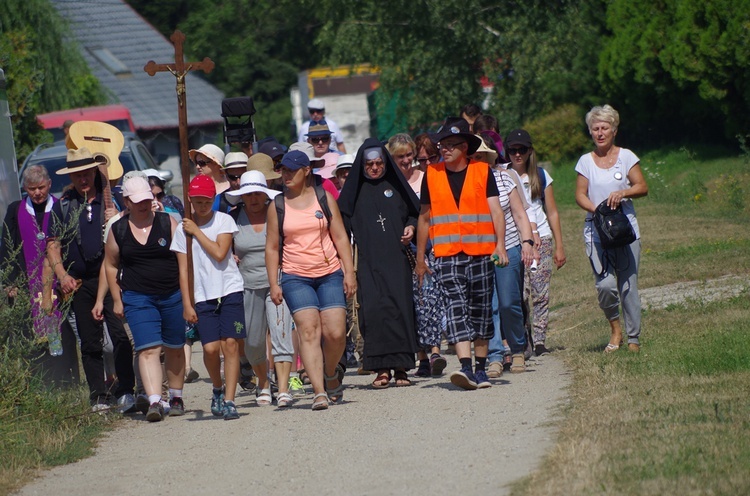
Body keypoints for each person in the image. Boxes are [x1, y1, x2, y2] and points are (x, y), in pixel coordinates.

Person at [414, 118, 508, 391]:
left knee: (480, 309)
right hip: (446, 254)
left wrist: (500, 245)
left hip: (481, 251)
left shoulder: (482, 171)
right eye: (442, 144)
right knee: (455, 306)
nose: (444, 149)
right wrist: (421, 258)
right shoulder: (432, 174)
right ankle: (465, 367)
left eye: (452, 145)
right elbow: (424, 219)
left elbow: (496, 211)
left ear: (465, 147)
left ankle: (481, 369)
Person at [266, 150, 356, 410]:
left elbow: (340, 236)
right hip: (296, 276)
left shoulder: (324, 198)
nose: (285, 175)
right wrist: (274, 282)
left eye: (291, 170)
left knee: (336, 332)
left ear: (306, 171)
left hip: (329, 273)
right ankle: (319, 391)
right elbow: (272, 247)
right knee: (308, 331)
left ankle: (330, 374)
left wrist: (349, 272)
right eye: (282, 170)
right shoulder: (278, 205)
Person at [45, 148, 135, 411]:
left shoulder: (112, 200)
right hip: (80, 283)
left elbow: (136, 226)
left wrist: (117, 217)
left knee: (119, 336)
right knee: (89, 341)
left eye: (87, 174)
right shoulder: (63, 205)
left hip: (111, 277)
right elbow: (53, 244)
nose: (83, 180)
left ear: (96, 172)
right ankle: (98, 395)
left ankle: (125, 390)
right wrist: (62, 275)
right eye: (77, 175)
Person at [101, 176, 185, 422]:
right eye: (137, 201)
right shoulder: (118, 229)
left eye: (147, 199)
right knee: (148, 349)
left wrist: (188, 296)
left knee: (175, 346)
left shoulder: (166, 222)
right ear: (126, 201)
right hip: (138, 297)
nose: (143, 205)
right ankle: (155, 401)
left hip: (171, 293)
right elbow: (111, 265)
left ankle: (177, 396)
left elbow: (183, 261)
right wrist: (117, 299)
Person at [338, 138, 420, 388]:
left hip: (397, 260)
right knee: (373, 312)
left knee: (400, 310)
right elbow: (340, 226)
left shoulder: (396, 185)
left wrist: (411, 227)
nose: (374, 168)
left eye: (378, 163)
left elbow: (415, 212)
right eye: (369, 164)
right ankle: (381, 369)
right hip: (368, 262)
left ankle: (402, 368)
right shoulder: (354, 192)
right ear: (362, 166)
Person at [171, 175, 246, 420]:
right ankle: (217, 386)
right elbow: (183, 269)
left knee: (231, 345)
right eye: (197, 201)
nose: (202, 206)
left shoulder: (223, 221)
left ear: (213, 199)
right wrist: (186, 302)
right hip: (203, 294)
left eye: (206, 201)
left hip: (229, 289)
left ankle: (230, 400)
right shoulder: (184, 231)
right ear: (190, 201)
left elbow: (220, 252)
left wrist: (197, 232)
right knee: (211, 349)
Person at [574, 105, 648, 353]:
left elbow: (642, 187)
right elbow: (579, 195)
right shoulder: (585, 161)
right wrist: (598, 212)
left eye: (604, 127)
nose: (600, 132)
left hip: (626, 231)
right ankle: (615, 329)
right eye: (595, 128)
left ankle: (634, 339)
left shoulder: (627, 156)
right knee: (605, 286)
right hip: (596, 233)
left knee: (628, 286)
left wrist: (623, 192)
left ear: (614, 130)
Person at [0, 165, 78, 385]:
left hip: (59, 287)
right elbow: (7, 247)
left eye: (41, 188)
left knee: (64, 334)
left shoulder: (61, 207)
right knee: (31, 335)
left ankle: (67, 381)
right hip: (27, 286)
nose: (37, 193)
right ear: (25, 187)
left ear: (49, 184)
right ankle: (41, 382)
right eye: (32, 188)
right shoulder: (16, 210)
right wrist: (10, 282)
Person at [227, 171, 296, 407]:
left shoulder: (277, 213)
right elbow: (223, 248)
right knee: (253, 342)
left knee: (281, 334)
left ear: (265, 194)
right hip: (246, 285)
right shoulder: (233, 218)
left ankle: (284, 387)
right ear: (242, 197)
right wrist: (230, 256)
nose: (254, 198)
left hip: (277, 282)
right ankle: (264, 383)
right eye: (248, 194)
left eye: (258, 193)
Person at [386, 133, 447, 378]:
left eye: (409, 155)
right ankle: (421, 357)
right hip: (398, 252)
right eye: (400, 156)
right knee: (410, 305)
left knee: (429, 300)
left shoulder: (425, 178)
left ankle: (434, 351)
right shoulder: (388, 183)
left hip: (427, 247)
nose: (406, 160)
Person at [504, 129, 566, 356]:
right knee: (519, 293)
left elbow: (552, 212)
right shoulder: (503, 175)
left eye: (522, 150)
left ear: (530, 151)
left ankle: (540, 340)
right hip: (516, 239)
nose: (517, 155)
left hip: (543, 239)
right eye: (513, 150)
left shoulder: (540, 175)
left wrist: (559, 245)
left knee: (541, 292)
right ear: (507, 152)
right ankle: (523, 335)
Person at [189, 144, 229, 210]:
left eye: (202, 163)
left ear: (215, 164)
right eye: (196, 163)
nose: (197, 167)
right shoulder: (195, 186)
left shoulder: (230, 187)